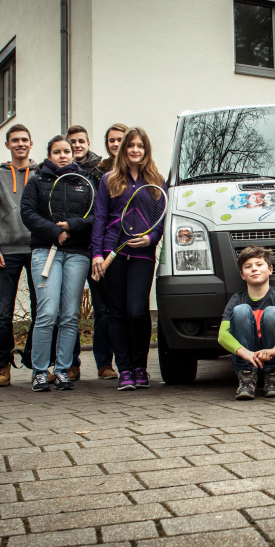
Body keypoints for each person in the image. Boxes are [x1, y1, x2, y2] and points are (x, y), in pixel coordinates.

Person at [90, 127, 165, 390]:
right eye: (131, 145)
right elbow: (100, 218)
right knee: (117, 312)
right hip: (114, 253)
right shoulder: (108, 180)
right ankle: (125, 370)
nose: (135, 150)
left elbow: (160, 218)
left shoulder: (156, 180)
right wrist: (96, 254)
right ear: (124, 149)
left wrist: (151, 239)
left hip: (143, 254)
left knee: (137, 312)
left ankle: (140, 367)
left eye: (140, 146)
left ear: (146, 150)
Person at [20, 136, 94, 392]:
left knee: (70, 315)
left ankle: (62, 370)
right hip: (45, 251)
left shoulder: (85, 181)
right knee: (48, 313)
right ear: (49, 155)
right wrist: (54, 232)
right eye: (57, 152)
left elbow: (96, 216)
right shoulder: (37, 181)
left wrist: (72, 226)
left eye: (67, 151)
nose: (63, 155)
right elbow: (28, 214)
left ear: (73, 154)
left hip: (77, 254)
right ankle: (40, 372)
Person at [0, 124, 38, 387]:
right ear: (7, 145)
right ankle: (3, 365)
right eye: (15, 140)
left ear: (31, 143)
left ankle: (39, 364)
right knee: (4, 313)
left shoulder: (41, 174)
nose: (20, 144)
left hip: (37, 250)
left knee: (42, 311)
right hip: (7, 252)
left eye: (24, 140)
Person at [218, 246, 275, 400]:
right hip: (247, 363)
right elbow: (222, 335)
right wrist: (245, 353)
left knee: (272, 311)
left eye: (259, 264)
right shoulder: (237, 299)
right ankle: (246, 378)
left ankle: (273, 376)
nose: (254, 269)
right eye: (248, 266)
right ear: (242, 275)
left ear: (270, 269)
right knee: (241, 310)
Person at [66, 124, 113, 379]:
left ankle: (105, 364)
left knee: (102, 309)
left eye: (81, 141)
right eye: (72, 141)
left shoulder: (101, 171)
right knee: (69, 309)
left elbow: (103, 212)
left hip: (97, 249)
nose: (77, 145)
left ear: (88, 143)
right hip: (71, 248)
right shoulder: (62, 171)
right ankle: (71, 364)